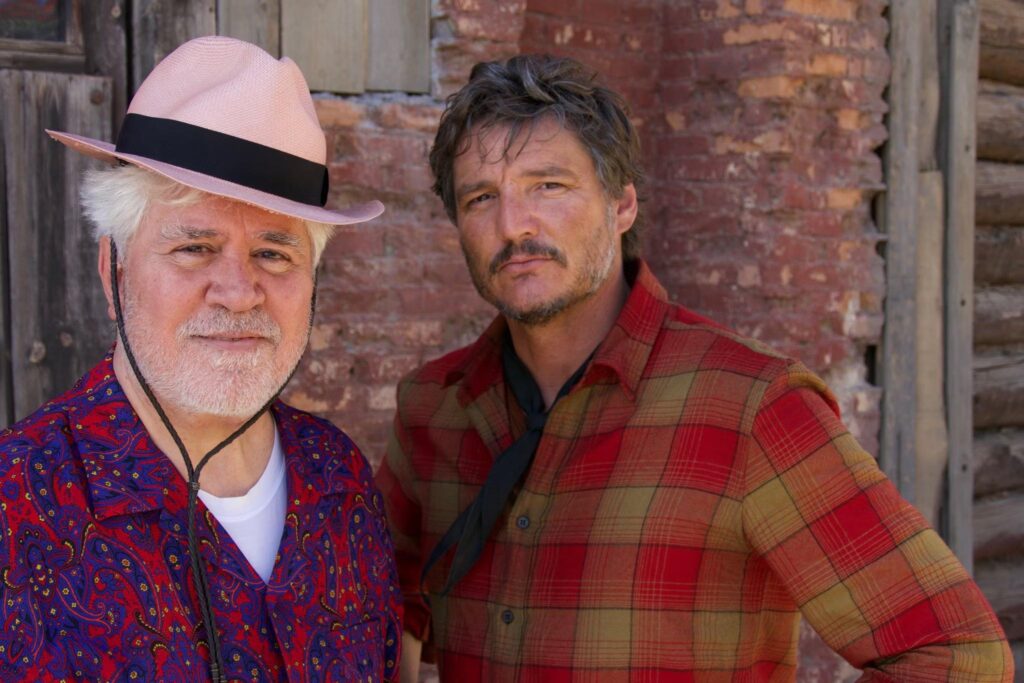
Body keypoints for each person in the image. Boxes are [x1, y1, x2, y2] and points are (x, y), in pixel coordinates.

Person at [375, 55, 1013, 681]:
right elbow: (383, 605)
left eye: (549, 185)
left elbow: (957, 655)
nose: (514, 225)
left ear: (622, 206)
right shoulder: (434, 406)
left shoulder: (753, 407)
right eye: (482, 197)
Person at [0, 36, 400, 682]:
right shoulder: (16, 507)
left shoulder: (343, 483)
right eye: (194, 247)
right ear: (113, 272)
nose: (239, 293)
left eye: (275, 253)